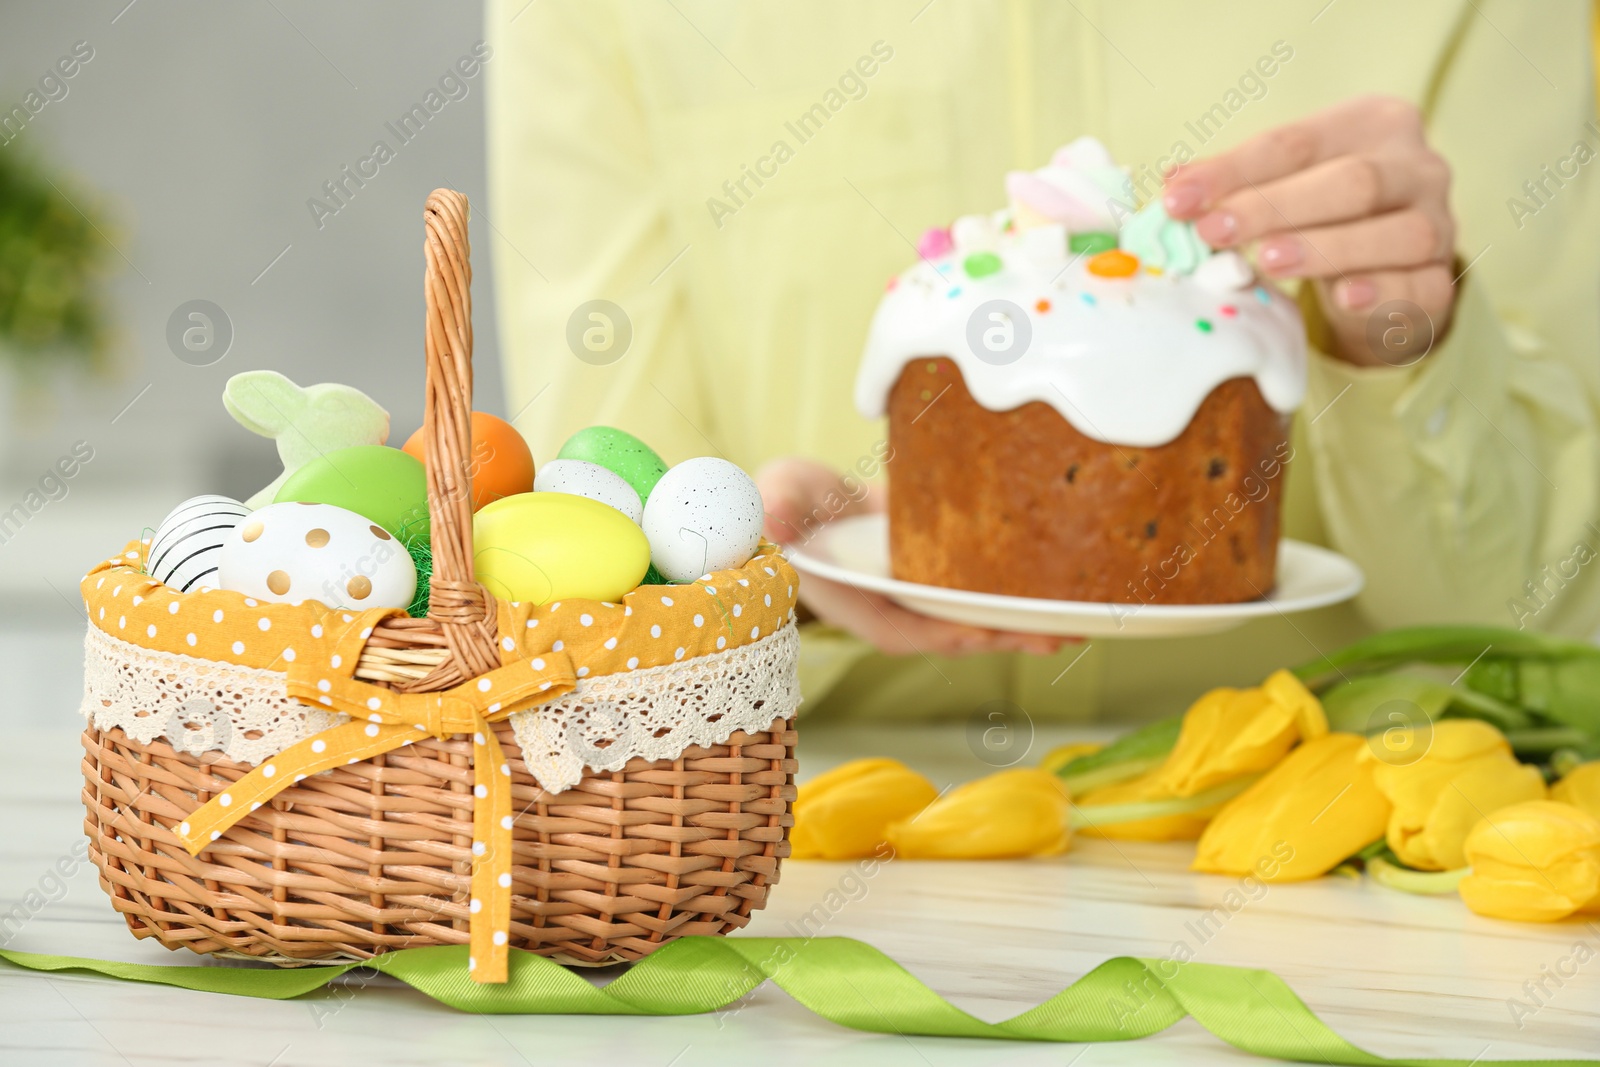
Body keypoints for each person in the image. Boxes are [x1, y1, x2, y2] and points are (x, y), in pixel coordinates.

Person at [484, 1, 1600, 721]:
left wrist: (1413, 345)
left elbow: (1555, 625)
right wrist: (759, 572)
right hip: (812, 839)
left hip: (1341, 824)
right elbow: (583, 592)